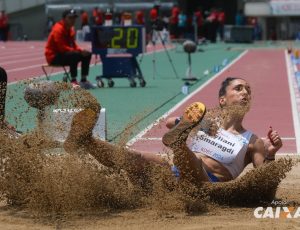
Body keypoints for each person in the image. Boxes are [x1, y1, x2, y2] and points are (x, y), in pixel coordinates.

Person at [63, 77, 282, 187]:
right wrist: (199, 125)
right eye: (239, 88)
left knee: (191, 160)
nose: (245, 93)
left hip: (205, 184)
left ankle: (178, 143)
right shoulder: (207, 122)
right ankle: (85, 140)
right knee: (133, 158)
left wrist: (271, 153)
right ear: (222, 100)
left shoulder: (252, 141)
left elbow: (266, 184)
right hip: (174, 175)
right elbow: (169, 122)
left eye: (248, 91)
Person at [45, 9, 96, 89]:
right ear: (64, 18)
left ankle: (83, 80)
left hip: (65, 54)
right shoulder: (58, 29)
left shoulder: (70, 29)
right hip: (54, 57)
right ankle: (73, 81)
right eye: (70, 18)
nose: (73, 20)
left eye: (74, 18)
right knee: (74, 55)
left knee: (87, 54)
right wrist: (78, 51)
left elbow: (73, 45)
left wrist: (81, 50)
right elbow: (61, 48)